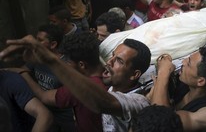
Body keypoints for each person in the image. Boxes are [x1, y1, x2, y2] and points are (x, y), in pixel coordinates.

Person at [0, 37, 152, 132]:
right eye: (112, 56)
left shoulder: (139, 102)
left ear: (134, 74)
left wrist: (50, 60)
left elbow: (101, 102)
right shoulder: (110, 86)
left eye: (119, 61)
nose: (110, 62)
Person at [13, 32, 107, 132]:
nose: (67, 65)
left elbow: (44, 96)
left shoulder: (80, 89)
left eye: (69, 62)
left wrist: (23, 74)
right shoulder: (109, 74)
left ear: (82, 65)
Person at [150, 47, 206, 131]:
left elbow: (160, 122)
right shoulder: (187, 84)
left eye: (189, 63)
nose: (183, 62)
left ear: (200, 81)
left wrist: (163, 73)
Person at [24, 24, 76, 131]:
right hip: (46, 113)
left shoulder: (66, 66)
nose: (35, 43)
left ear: (53, 44)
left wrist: (22, 73)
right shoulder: (37, 58)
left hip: (66, 119)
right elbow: (23, 69)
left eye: (40, 40)